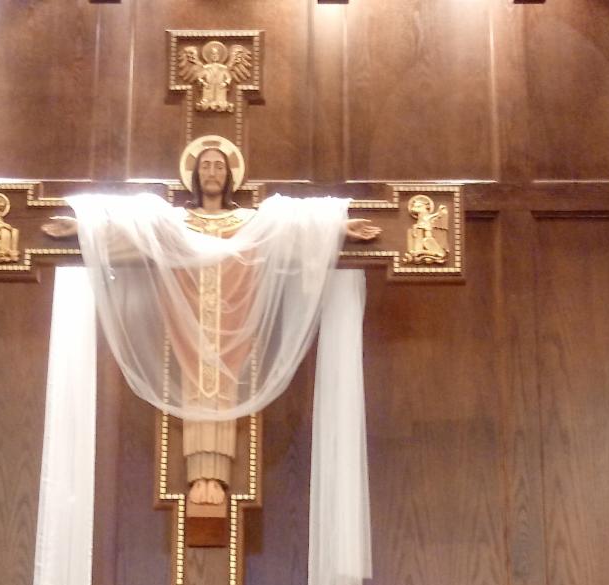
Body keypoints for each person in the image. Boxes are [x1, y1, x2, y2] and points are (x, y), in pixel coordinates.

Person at [43, 137, 378, 506]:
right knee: (197, 392)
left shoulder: (249, 223)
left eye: (219, 166)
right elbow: (128, 231)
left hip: (233, 322)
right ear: (195, 176)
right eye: (205, 166)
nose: (212, 172)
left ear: (230, 175)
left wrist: (339, 229)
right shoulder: (175, 224)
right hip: (188, 322)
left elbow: (294, 230)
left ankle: (216, 474)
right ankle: (198, 474)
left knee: (221, 392)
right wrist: (82, 228)